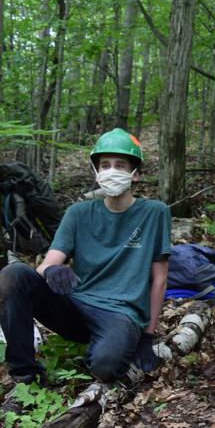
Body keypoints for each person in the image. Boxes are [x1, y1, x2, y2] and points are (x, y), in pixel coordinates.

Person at [0, 128, 170, 391]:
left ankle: (108, 348)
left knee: (106, 367)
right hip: (77, 304)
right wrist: (51, 272)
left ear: (135, 174)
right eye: (104, 165)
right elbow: (47, 263)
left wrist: (148, 336)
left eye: (119, 165)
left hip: (121, 312)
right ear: (96, 172)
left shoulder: (155, 213)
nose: (111, 171)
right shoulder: (78, 213)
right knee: (14, 275)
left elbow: (159, 280)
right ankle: (25, 375)